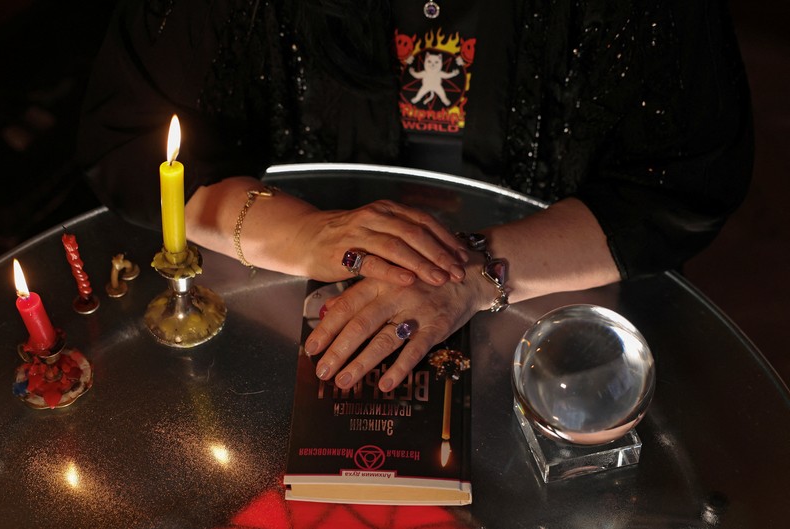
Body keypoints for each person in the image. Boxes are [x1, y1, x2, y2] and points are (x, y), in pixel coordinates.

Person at [77, 0, 753, 393]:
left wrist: (476, 271)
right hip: (282, 318)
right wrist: (308, 235)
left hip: (551, 331)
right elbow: (131, 141)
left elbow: (680, 182)